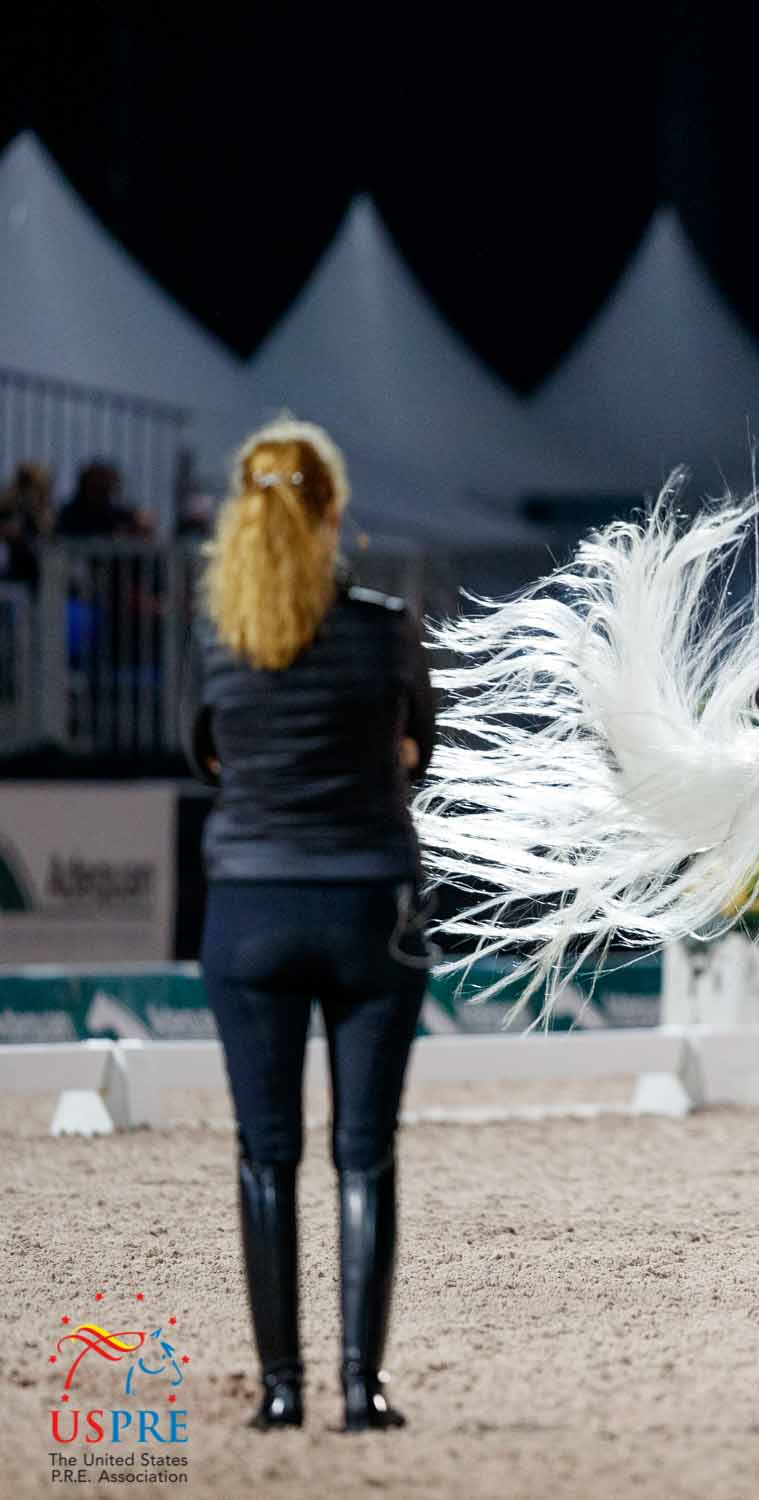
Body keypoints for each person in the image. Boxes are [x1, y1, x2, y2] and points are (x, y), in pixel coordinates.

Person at [182, 416, 435, 1433]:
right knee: (364, 1152)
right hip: (371, 907)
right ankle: (360, 1389)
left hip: (249, 910)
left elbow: (201, 756)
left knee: (265, 1152)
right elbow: (426, 749)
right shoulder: (381, 624)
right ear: (333, 514)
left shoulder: (215, 634)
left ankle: (281, 1389)